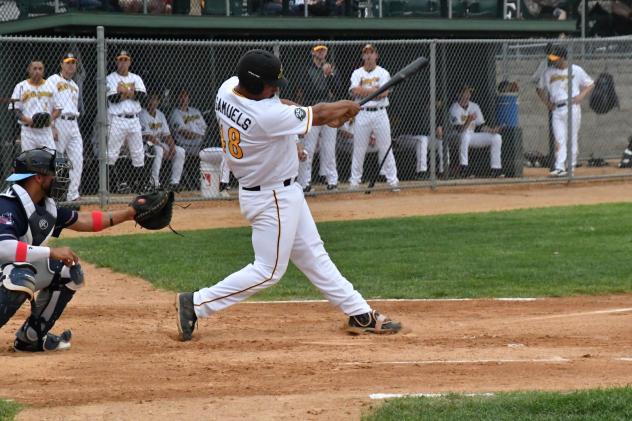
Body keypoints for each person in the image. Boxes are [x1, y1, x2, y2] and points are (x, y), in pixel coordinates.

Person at [175, 49, 402, 341]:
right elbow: (313, 113)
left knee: (314, 255)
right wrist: (342, 108)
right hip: (272, 198)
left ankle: (359, 313)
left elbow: (283, 106)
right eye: (271, 84)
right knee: (268, 271)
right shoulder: (264, 116)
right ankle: (195, 304)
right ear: (256, 85)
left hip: (277, 192)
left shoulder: (228, 89)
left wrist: (328, 115)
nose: (275, 89)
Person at [0, 147, 139, 352]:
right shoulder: (7, 205)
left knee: (67, 271)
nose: (59, 179)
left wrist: (129, 213)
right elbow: (3, 248)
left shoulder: (42, 206)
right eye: (54, 173)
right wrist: (50, 251)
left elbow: (86, 220)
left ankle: (32, 336)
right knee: (20, 277)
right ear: (38, 177)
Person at [348, 43, 399, 191]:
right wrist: (374, 91)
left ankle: (392, 180)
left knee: (385, 147)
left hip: (380, 112)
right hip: (362, 113)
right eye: (366, 53)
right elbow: (354, 90)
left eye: (371, 52)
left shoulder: (383, 72)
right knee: (359, 148)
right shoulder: (357, 73)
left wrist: (365, 91)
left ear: (376, 55)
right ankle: (354, 182)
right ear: (363, 56)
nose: (369, 55)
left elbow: (383, 93)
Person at [537, 45, 594, 177]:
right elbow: (539, 89)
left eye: (556, 58)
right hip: (557, 109)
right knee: (559, 138)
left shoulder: (576, 70)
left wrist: (581, 96)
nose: (553, 61)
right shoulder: (548, 72)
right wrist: (547, 103)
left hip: (572, 107)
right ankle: (560, 167)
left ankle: (571, 168)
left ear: (563, 58)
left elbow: (590, 83)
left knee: (571, 138)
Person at [297, 44, 342, 192]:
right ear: (312, 52)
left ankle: (332, 181)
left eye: (323, 50)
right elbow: (307, 91)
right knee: (308, 147)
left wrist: (328, 76)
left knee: (329, 147)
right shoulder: (305, 69)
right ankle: (305, 183)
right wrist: (322, 75)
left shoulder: (330, 69)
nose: (321, 53)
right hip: (313, 110)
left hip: (328, 111)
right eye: (318, 50)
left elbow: (337, 90)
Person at [106, 49, 148, 193]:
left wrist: (124, 91)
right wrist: (132, 93)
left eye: (125, 60)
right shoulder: (110, 78)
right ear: (116, 61)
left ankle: (141, 187)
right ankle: (109, 188)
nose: (123, 62)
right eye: (120, 59)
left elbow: (143, 97)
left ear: (130, 62)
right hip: (117, 120)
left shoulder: (136, 77)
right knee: (111, 154)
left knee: (138, 153)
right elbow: (113, 98)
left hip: (134, 120)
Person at [47, 52, 84, 203]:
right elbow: (47, 103)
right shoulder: (53, 80)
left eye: (73, 62)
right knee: (57, 160)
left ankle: (72, 195)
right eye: (67, 62)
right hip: (59, 122)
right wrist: (52, 126)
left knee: (77, 159)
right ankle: (53, 196)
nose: (71, 65)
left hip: (73, 123)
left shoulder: (75, 86)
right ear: (61, 64)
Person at [448, 85, 504, 178]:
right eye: (465, 92)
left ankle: (496, 169)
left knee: (497, 137)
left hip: (471, 135)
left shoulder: (474, 106)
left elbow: (481, 126)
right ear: (458, 94)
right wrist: (468, 120)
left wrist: (492, 130)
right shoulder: (454, 108)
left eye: (469, 93)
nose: (467, 95)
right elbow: (459, 130)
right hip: (455, 136)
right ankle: (463, 168)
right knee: (464, 135)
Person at [139, 93, 186, 191]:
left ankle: (174, 182)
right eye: (150, 99)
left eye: (155, 99)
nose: (152, 102)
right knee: (159, 150)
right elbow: (148, 136)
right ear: (146, 101)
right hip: (145, 144)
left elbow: (167, 135)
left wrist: (172, 147)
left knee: (180, 151)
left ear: (158, 101)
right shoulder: (142, 114)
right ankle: (154, 183)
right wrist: (163, 147)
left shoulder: (160, 114)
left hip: (159, 143)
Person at [10, 60, 60, 151]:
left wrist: (50, 119)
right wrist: (27, 120)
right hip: (28, 131)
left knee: (50, 160)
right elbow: (15, 109)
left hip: (45, 131)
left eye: (40, 69)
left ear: (43, 71)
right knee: (29, 162)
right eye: (35, 68)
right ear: (29, 70)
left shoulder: (51, 86)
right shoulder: (21, 86)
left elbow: (58, 108)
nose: (37, 71)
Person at [533, 43, 557, 171]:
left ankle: (560, 161)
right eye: (550, 52)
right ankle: (554, 163)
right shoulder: (545, 63)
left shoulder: (561, 63)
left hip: (563, 101)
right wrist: (547, 103)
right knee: (554, 133)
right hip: (552, 100)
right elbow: (536, 81)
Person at [170, 88, 208, 157]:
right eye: (181, 97)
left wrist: (204, 137)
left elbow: (205, 128)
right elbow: (187, 135)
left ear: (188, 98)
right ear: (176, 99)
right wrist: (203, 136)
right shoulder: (175, 115)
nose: (183, 99)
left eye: (185, 96)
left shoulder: (195, 111)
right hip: (187, 146)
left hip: (203, 142)